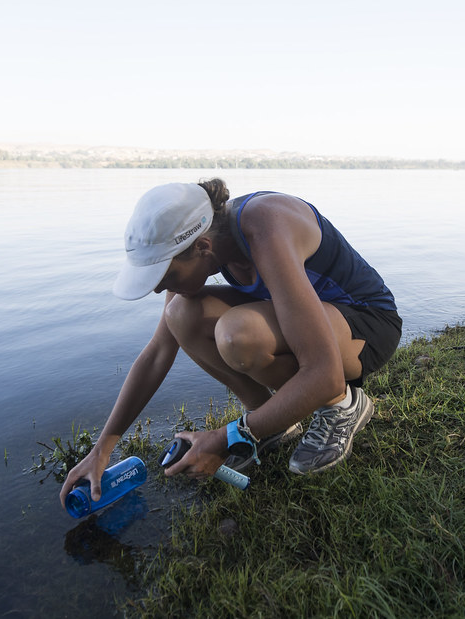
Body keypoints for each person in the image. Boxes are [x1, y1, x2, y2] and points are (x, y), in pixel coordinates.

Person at [59, 178, 401, 506]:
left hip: (366, 324)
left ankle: (342, 406)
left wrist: (228, 437)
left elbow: (323, 372)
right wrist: (103, 447)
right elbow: (158, 352)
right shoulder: (204, 237)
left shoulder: (266, 225)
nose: (160, 289)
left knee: (237, 334)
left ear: (202, 247)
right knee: (180, 314)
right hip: (311, 323)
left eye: (165, 276)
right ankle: (267, 421)